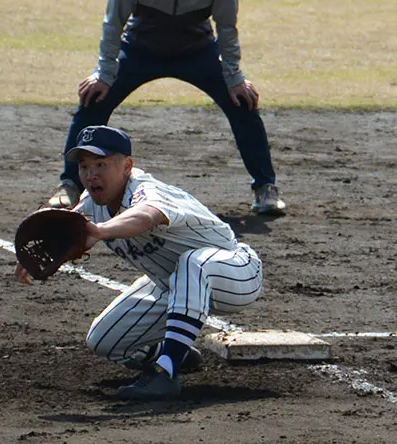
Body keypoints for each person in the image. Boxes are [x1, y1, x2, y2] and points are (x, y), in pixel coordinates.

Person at [47, 0, 286, 216]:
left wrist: (235, 78)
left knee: (242, 102)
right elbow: (113, 24)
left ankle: (265, 187)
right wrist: (104, 73)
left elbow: (227, 28)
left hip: (196, 50)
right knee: (93, 99)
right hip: (140, 50)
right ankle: (69, 185)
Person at [21, 125, 263, 401]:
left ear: (127, 166)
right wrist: (43, 250)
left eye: (101, 164)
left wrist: (101, 231)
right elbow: (69, 229)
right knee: (104, 341)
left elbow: (146, 217)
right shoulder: (92, 202)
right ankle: (178, 353)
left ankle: (166, 373)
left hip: (234, 272)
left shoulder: (148, 191)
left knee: (193, 262)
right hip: (172, 285)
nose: (91, 175)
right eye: (84, 166)